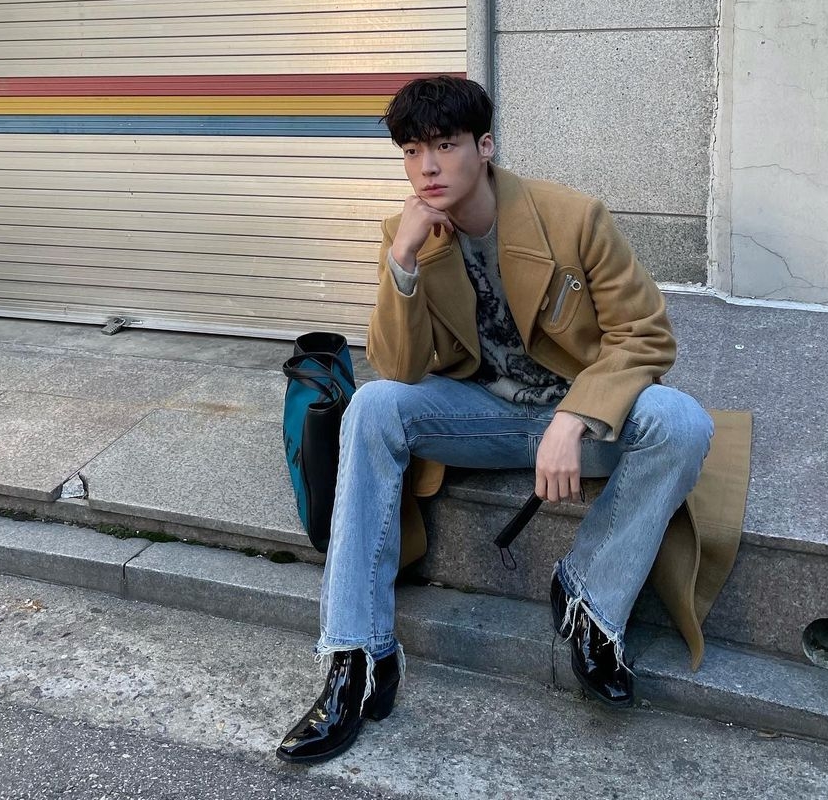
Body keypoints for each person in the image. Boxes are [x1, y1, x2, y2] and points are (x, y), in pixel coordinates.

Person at [276, 75, 715, 765]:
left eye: (445, 146)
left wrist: (575, 415)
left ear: (484, 147)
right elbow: (397, 367)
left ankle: (591, 602)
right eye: (412, 151)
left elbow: (646, 335)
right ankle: (357, 659)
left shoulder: (573, 218)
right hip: (481, 415)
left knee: (682, 421)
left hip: (579, 418)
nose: (428, 167)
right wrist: (404, 263)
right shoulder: (407, 233)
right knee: (373, 405)